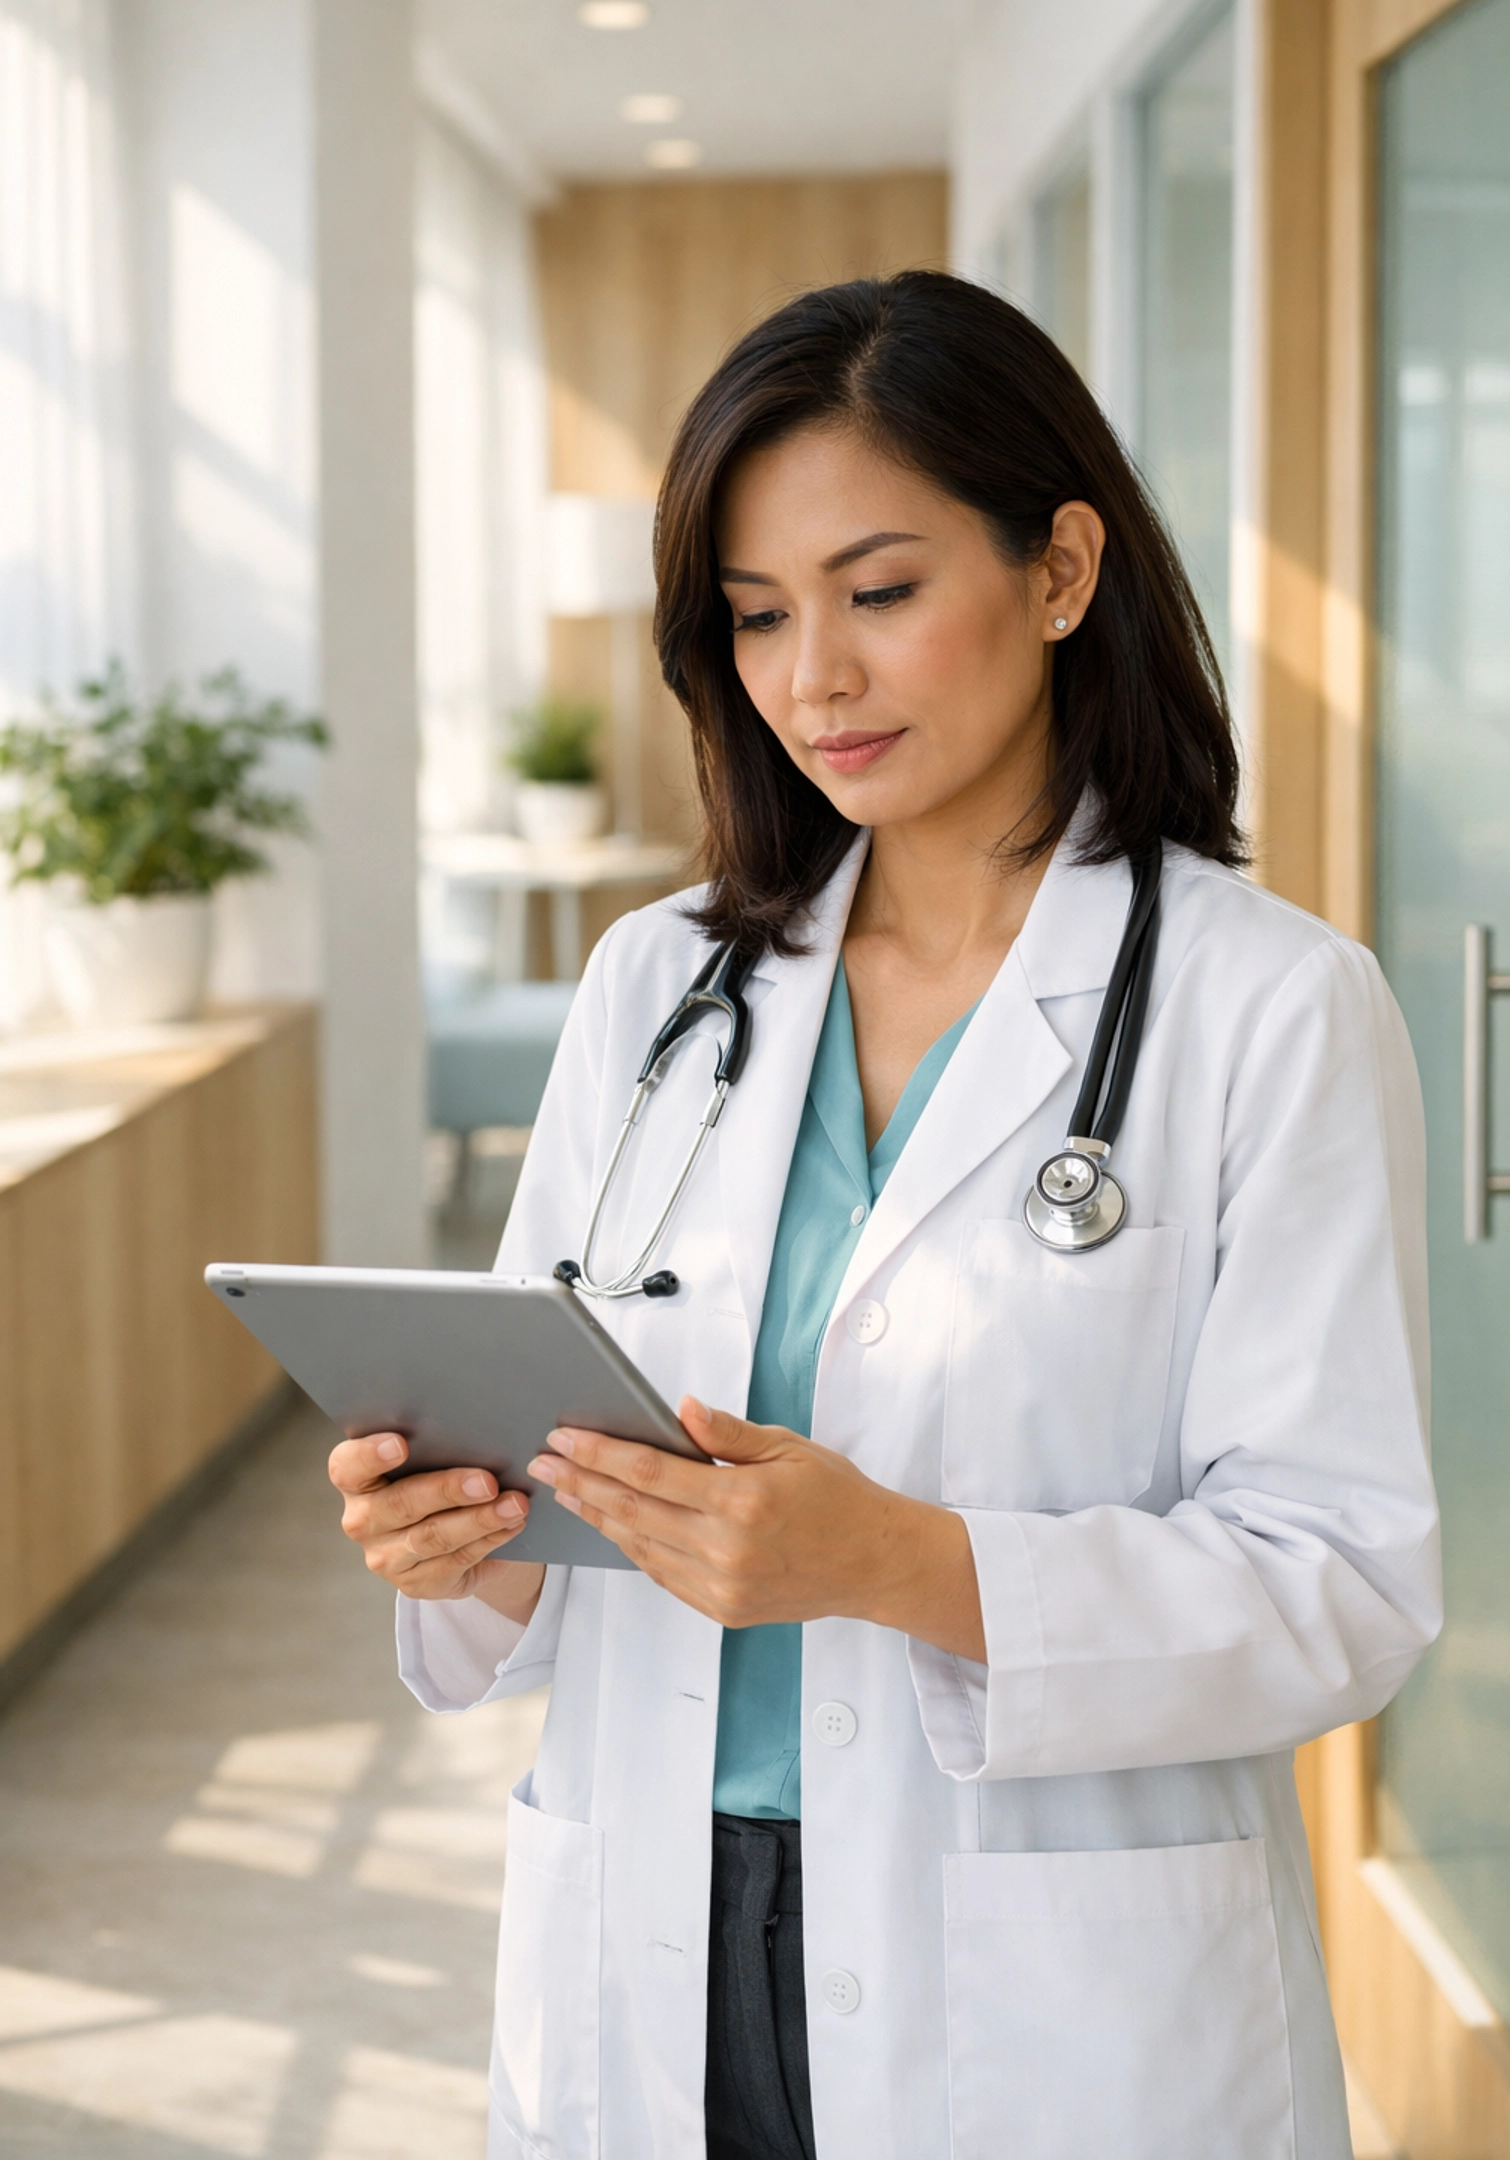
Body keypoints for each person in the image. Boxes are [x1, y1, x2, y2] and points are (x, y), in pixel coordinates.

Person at [329, 272, 1440, 2160]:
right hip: (654, 1941)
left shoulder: (1269, 1008)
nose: (812, 679)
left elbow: (1342, 1581)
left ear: (1064, 568)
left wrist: (898, 1563)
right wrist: (466, 1537)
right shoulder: (656, 988)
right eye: (757, 618)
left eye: (882, 590)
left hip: (1049, 1995)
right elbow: (551, 1465)